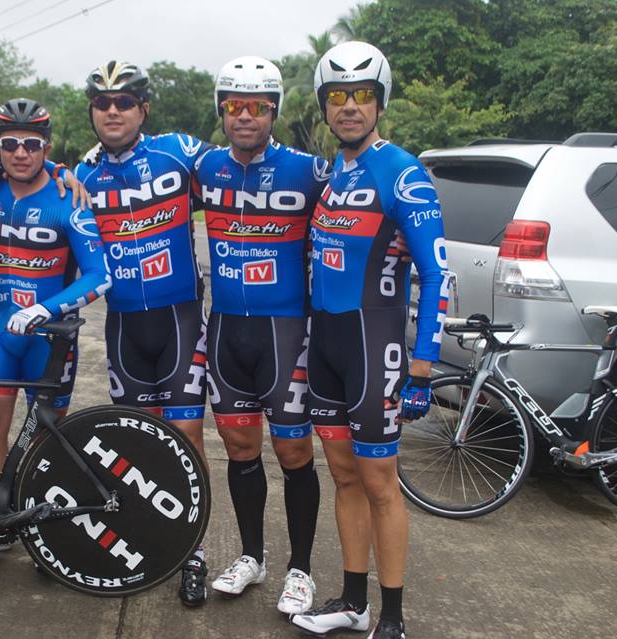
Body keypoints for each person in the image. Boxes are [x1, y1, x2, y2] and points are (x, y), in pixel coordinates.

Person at [291, 42, 449, 639]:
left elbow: (436, 274)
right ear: (324, 106)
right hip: (327, 346)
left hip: (373, 345)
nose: (350, 106)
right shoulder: (332, 174)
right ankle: (353, 602)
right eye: (338, 96)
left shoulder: (403, 172)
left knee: (380, 483)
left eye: (362, 95)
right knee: (344, 476)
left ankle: (393, 616)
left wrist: (423, 365)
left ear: (380, 102)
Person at [0, 98, 111, 569]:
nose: (21, 153)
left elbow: (99, 275)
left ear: (47, 148)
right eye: (11, 144)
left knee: (46, 438)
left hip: (49, 339)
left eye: (33, 144)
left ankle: (44, 533)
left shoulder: (67, 198)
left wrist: (45, 308)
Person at [74, 60, 214, 606]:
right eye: (102, 102)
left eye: (124, 101)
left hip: (180, 320)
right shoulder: (81, 175)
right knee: (134, 444)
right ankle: (149, 542)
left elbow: (240, 162)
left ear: (143, 108)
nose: (113, 111)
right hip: (124, 326)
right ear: (92, 111)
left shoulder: (178, 151)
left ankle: (193, 553)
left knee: (187, 439)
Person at [191, 56, 328, 615]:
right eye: (234, 105)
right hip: (226, 331)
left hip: (286, 332)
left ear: (274, 112)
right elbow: (135, 170)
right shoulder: (205, 167)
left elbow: (366, 191)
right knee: (240, 448)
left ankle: (301, 569)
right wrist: (77, 170)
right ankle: (253, 557)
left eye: (257, 107)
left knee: (293, 451)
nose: (244, 116)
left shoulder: (308, 170)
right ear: (221, 110)